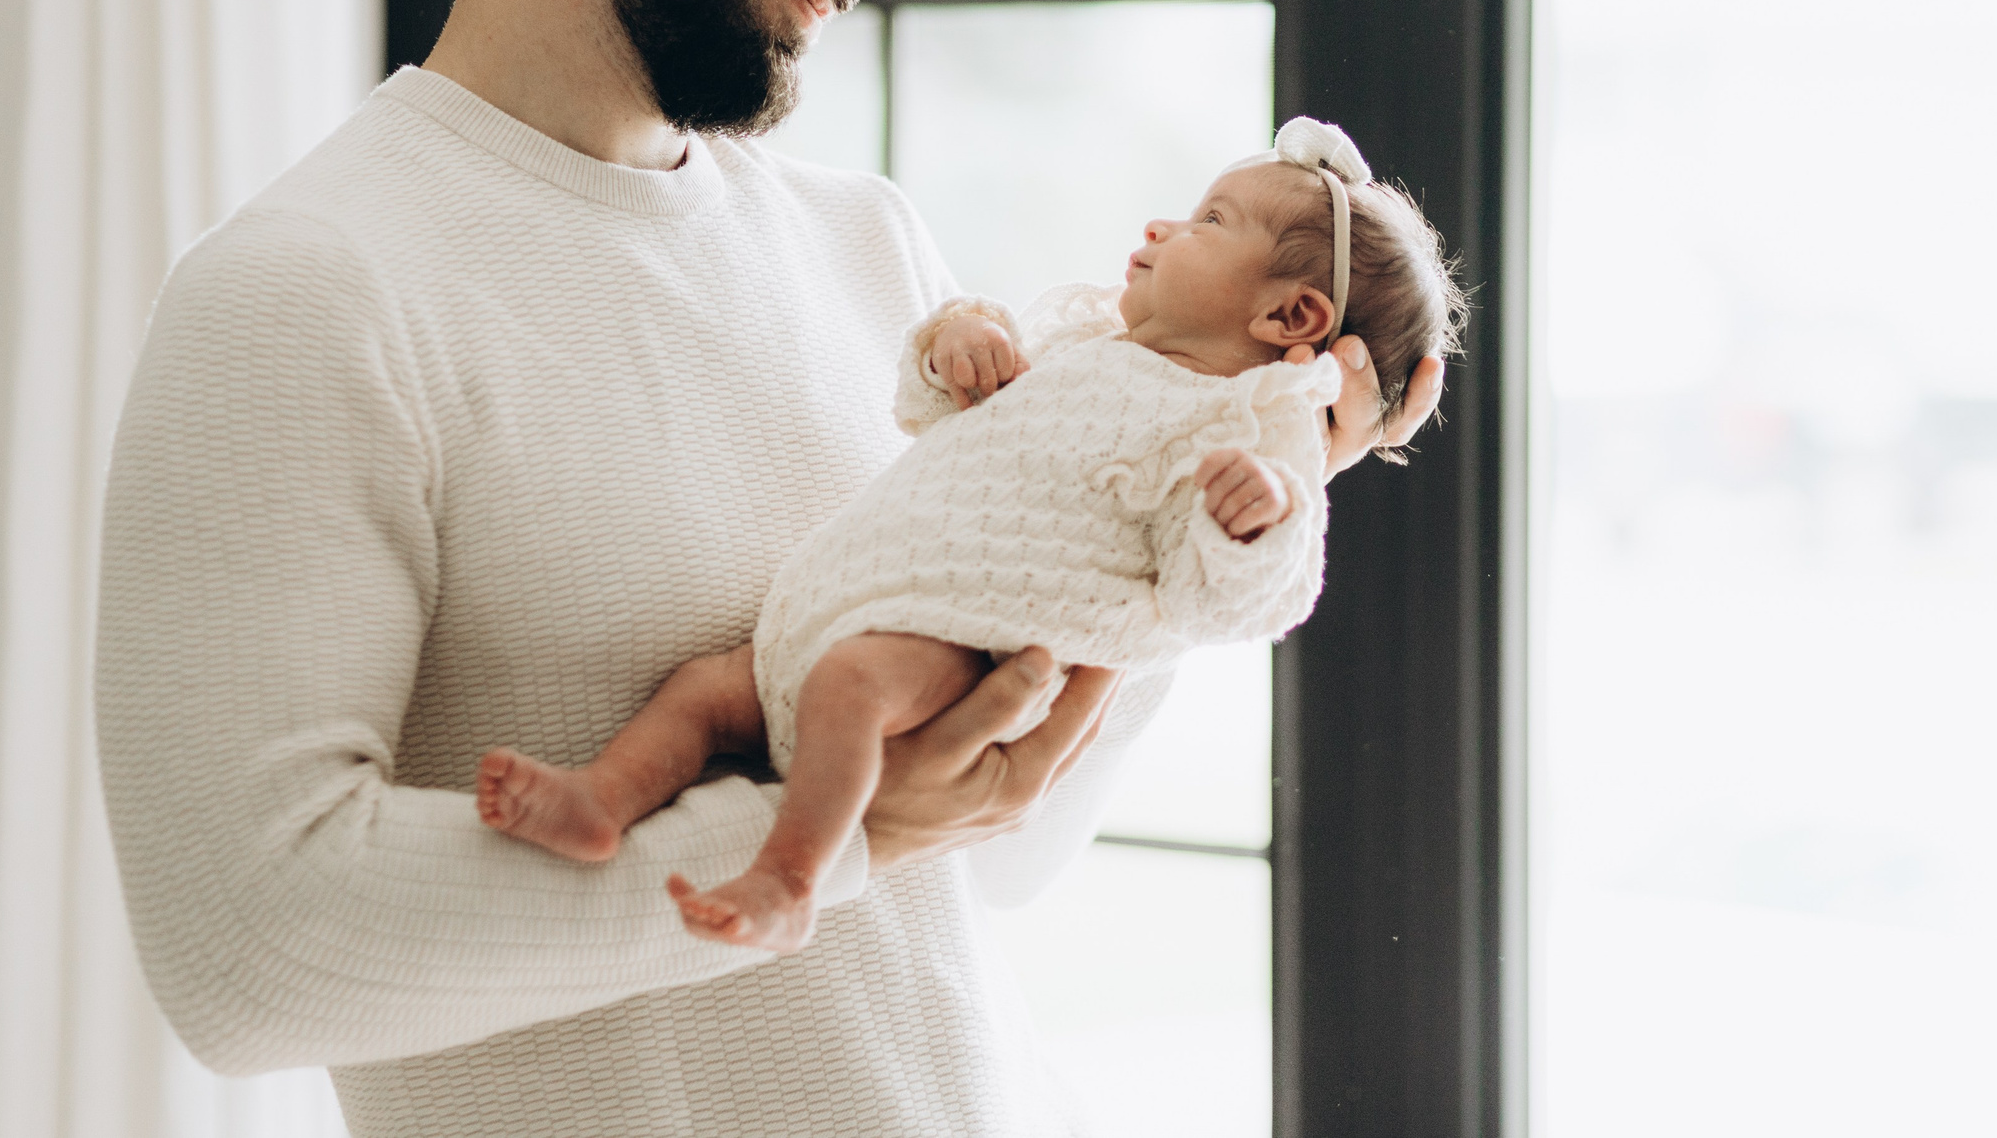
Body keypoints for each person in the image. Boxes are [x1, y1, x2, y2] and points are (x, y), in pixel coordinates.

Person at [93, 0, 1444, 1138]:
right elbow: (248, 950)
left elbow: (1000, 850)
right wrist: (830, 838)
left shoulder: (874, 248)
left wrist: (1241, 444)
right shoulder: (306, 295)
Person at [476, 117, 1467, 955]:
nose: (1163, 224)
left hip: (958, 645)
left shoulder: (1237, 434)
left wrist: (1257, 514)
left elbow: (1212, 603)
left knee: (848, 691)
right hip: (838, 609)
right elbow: (947, 416)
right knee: (702, 690)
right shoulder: (1086, 344)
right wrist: (957, 347)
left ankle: (786, 876)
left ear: (1287, 312)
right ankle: (602, 800)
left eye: (1209, 220)